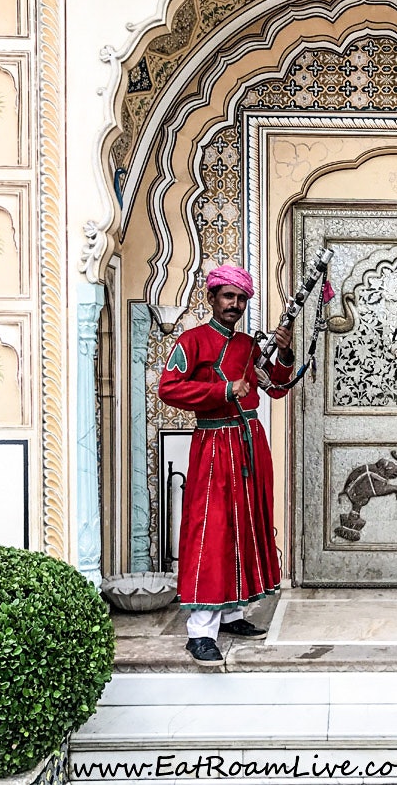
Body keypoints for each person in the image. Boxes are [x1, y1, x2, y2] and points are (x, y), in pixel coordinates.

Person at [158, 264, 295, 666]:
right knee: (212, 530)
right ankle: (199, 631)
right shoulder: (193, 341)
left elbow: (278, 387)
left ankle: (233, 614)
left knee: (246, 524)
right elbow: (169, 388)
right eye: (228, 297)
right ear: (212, 298)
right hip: (215, 444)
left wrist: (283, 351)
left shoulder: (251, 347)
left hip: (250, 443)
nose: (235, 304)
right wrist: (223, 389)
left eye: (241, 299)